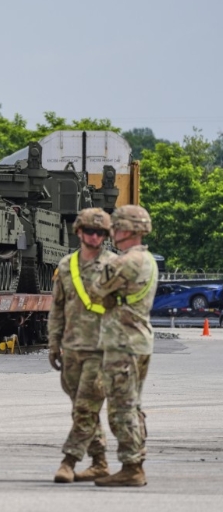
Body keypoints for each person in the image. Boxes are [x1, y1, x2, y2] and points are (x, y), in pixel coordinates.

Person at [89, 204, 158, 487]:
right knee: (132, 405)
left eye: (116, 227)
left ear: (128, 230)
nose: (112, 233)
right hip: (139, 341)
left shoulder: (125, 262)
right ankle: (135, 462)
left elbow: (96, 290)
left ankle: (132, 467)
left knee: (121, 409)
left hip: (122, 343)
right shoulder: (148, 259)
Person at [48, 208, 117, 483]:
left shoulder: (114, 266)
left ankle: (68, 461)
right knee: (82, 407)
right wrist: (53, 343)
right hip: (72, 348)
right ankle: (100, 462)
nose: (95, 237)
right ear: (79, 232)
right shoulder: (66, 266)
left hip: (102, 350)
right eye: (90, 231)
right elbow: (57, 308)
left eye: (100, 232)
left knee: (86, 408)